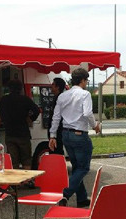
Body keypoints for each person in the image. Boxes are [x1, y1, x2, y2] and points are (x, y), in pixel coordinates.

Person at [49, 68, 100, 207]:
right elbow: (88, 113)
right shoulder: (85, 94)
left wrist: (52, 135)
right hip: (79, 133)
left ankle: (82, 198)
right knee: (83, 168)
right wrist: (95, 125)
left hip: (65, 134)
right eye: (86, 80)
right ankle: (65, 194)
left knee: (77, 167)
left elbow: (56, 117)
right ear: (83, 80)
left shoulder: (62, 96)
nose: (87, 83)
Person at [0, 80, 40, 169]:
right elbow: (37, 110)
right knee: (26, 159)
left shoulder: (4, 100)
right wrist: (30, 119)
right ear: (20, 89)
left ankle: (14, 181)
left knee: (13, 160)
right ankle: (27, 180)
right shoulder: (25, 99)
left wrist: (3, 119)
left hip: (10, 133)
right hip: (23, 133)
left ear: (9, 89)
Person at [48, 77, 67, 155]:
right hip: (56, 130)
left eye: (53, 84)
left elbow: (56, 117)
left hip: (58, 131)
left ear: (57, 87)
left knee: (56, 151)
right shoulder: (56, 98)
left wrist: (53, 134)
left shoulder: (59, 98)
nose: (51, 86)